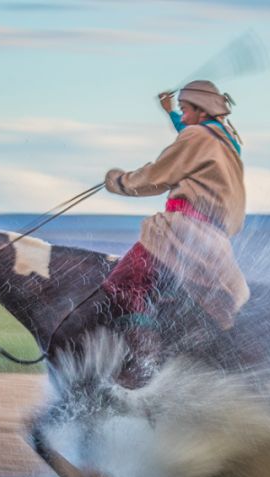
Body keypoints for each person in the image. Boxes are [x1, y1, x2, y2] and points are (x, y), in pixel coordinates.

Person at [98, 79, 250, 386]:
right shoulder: (226, 140)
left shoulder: (196, 136)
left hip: (182, 232)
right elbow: (192, 137)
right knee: (172, 296)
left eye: (185, 108)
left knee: (123, 283)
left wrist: (117, 181)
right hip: (215, 241)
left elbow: (157, 176)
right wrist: (171, 113)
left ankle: (144, 359)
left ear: (199, 108)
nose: (183, 114)